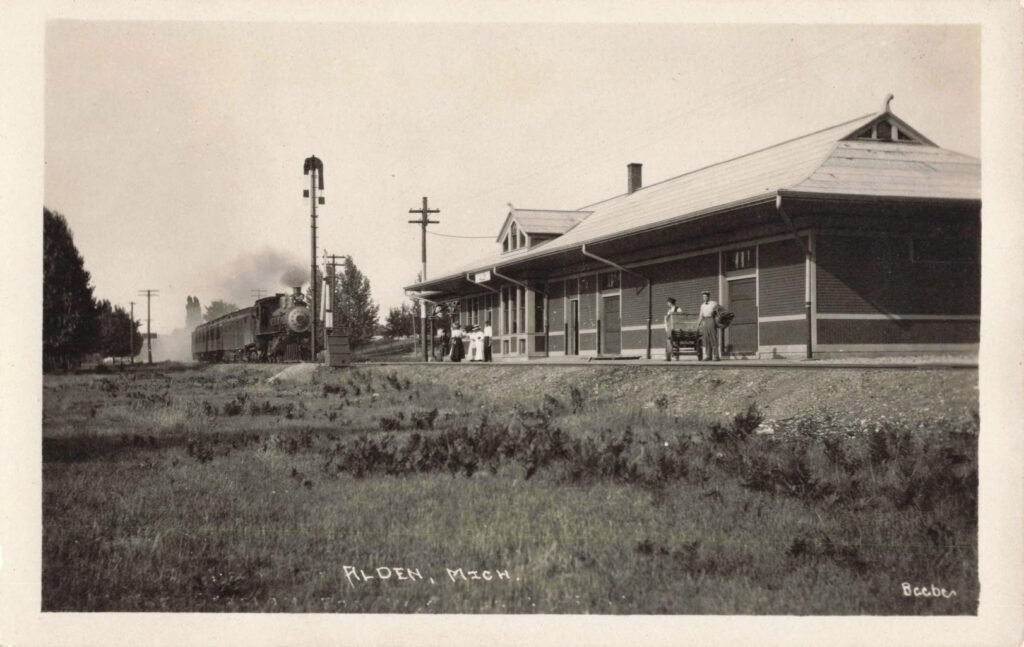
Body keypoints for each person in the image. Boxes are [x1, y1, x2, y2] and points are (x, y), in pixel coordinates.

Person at [697, 291, 722, 361]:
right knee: (706, 339)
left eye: (706, 296)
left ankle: (716, 356)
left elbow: (719, 311)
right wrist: (698, 324)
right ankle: (708, 356)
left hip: (711, 320)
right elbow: (700, 315)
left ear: (709, 297)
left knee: (713, 338)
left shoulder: (713, 303)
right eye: (703, 297)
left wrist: (718, 320)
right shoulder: (702, 305)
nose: (704, 298)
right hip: (705, 321)